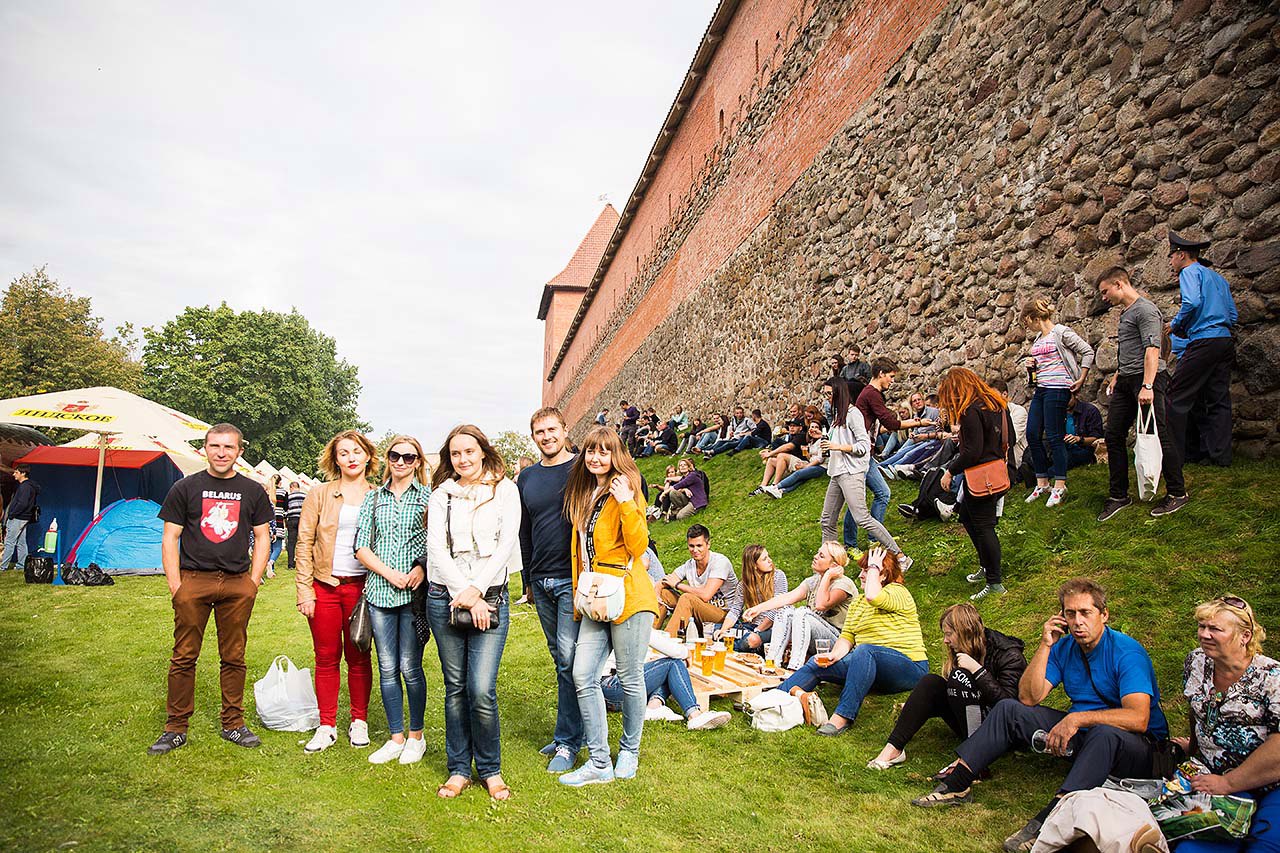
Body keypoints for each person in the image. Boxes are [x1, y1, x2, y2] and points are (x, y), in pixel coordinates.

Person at [912, 578, 1169, 853]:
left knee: (1104, 733)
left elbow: (1138, 719)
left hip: (1140, 749)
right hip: (1088, 737)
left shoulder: (1127, 652)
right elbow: (1028, 698)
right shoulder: (1065, 647)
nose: (1078, 621)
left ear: (1104, 615)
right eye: (1070, 614)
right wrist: (1046, 645)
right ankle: (959, 783)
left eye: (1086, 613)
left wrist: (1077, 719)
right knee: (1009, 709)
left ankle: (1051, 819)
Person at [148, 424, 273, 755]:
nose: (221, 453)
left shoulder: (253, 490)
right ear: (204, 448)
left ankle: (233, 723)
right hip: (194, 579)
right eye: (215, 446)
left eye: (229, 447)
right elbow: (170, 537)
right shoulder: (184, 487)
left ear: (239, 452)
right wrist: (177, 586)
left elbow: (262, 536)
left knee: (234, 656)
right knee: (184, 655)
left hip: (236, 583)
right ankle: (175, 727)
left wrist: (253, 582)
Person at [559, 426, 660, 786]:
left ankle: (629, 750)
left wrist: (628, 502)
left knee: (631, 677)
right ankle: (600, 762)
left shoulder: (625, 488)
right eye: (590, 452)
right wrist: (577, 600)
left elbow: (638, 546)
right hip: (594, 598)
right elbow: (580, 555)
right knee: (582, 674)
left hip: (629, 597)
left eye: (604, 452)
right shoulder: (586, 493)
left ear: (615, 454)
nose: (595, 458)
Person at [426, 425, 519, 801]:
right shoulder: (440, 497)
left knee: (481, 688)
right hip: (444, 597)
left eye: (469, 451)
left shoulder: (505, 490)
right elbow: (436, 549)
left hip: (491, 597)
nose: (462, 459)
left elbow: (505, 545)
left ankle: (491, 769)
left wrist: (477, 592)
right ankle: (459, 768)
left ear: (483, 451)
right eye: (455, 454)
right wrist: (462, 593)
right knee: (456, 689)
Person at [780, 547, 928, 736]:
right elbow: (847, 637)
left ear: (882, 575)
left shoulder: (898, 592)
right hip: (868, 666)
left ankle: (842, 717)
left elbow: (874, 596)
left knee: (865, 651)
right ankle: (775, 699)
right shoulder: (858, 603)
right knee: (817, 663)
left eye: (867, 570)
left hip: (909, 666)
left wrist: (874, 565)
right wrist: (833, 655)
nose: (860, 575)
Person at [1172, 595, 1279, 853]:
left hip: (1271, 783)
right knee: (1189, 848)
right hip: (1212, 775)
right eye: (1202, 626)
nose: (1204, 634)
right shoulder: (1196, 661)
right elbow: (1196, 710)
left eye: (1215, 629)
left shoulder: (1272, 678)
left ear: (1245, 636)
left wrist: (1228, 783)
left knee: (1264, 846)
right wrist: (1196, 746)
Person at [294, 430, 378, 753]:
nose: (351, 458)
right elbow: (304, 543)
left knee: (359, 655)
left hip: (363, 588)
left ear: (368, 455)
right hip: (325, 586)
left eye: (357, 451)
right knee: (326, 657)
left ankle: (359, 721)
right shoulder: (320, 494)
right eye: (344, 453)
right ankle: (326, 724)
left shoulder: (377, 494)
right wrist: (304, 590)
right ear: (335, 459)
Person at [867, 603, 1026, 771]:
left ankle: (972, 757)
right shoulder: (968, 648)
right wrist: (916, 706)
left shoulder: (1009, 655)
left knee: (959, 678)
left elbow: (1008, 707)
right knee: (931, 683)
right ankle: (893, 749)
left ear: (965, 632)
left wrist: (978, 671)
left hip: (1000, 731)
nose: (945, 640)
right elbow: (957, 695)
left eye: (949, 634)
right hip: (971, 719)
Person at [354, 436, 432, 766]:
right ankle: (395, 736)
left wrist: (420, 568)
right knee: (387, 667)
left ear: (417, 462)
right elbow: (360, 546)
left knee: (409, 667)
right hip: (381, 593)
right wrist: (388, 573)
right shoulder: (373, 500)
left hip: (414, 597)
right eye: (395, 456)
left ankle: (416, 736)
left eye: (408, 457)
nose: (401, 462)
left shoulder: (429, 498)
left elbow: (437, 541)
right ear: (387, 459)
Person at [518, 407, 583, 774]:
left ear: (564, 429)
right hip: (541, 580)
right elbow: (523, 533)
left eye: (552, 429)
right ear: (533, 437)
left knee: (569, 660)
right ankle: (568, 733)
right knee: (561, 659)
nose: (546, 436)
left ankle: (570, 742)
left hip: (572, 579)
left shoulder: (581, 468)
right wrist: (527, 580)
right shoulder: (526, 478)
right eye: (539, 432)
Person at [1096, 267, 1187, 521]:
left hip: (1147, 380)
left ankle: (1177, 493)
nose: (1104, 298)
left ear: (1119, 284)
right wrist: (1117, 375)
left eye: (1105, 291)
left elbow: (1152, 350)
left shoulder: (1145, 310)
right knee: (1113, 434)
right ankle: (1118, 496)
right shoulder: (1126, 313)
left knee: (1159, 435)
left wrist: (1147, 386)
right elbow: (1130, 350)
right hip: (1126, 380)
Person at [936, 367, 1014, 601]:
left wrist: (950, 470)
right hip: (997, 469)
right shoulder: (997, 404)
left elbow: (972, 451)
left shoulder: (971, 411)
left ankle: (994, 581)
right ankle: (987, 566)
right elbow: (1011, 439)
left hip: (981, 475)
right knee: (968, 518)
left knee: (984, 526)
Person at [820, 379, 913, 572]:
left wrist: (839, 447)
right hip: (837, 472)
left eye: (829, 394)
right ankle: (829, 565)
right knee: (827, 520)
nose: (826, 398)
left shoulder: (854, 414)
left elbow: (864, 446)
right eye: (825, 394)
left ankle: (900, 556)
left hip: (852, 472)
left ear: (839, 394)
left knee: (862, 518)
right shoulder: (838, 416)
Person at [1166, 230, 1238, 470]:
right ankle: (1221, 457)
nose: (1170, 262)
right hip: (1224, 339)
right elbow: (1233, 314)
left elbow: (1192, 302)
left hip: (1203, 341)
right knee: (1218, 399)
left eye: (1171, 256)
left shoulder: (1189, 271)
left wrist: (1175, 325)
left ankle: (1180, 453)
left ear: (1182, 254)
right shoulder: (1218, 278)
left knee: (1177, 395)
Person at [1020, 298, 1096, 509]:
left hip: (1059, 387)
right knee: (1033, 434)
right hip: (1042, 388)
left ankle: (1060, 485)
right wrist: (1032, 367)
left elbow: (1087, 351)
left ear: (1032, 318)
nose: (1027, 327)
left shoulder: (1061, 333)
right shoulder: (1037, 339)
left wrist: (1081, 378)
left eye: (1027, 322)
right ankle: (1042, 482)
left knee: (1054, 436)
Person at [851, 361, 933, 552]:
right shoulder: (872, 393)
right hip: (861, 454)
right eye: (891, 376)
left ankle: (874, 537)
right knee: (858, 501)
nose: (892, 381)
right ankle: (851, 543)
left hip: (866, 453)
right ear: (881, 374)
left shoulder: (871, 394)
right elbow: (890, 422)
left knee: (881, 494)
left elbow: (883, 423)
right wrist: (917, 422)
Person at [744, 541, 856, 669]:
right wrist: (758, 609)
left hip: (839, 643)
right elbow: (787, 598)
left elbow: (821, 605)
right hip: (816, 637)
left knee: (802, 612)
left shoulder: (843, 585)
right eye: (817, 553)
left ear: (834, 565)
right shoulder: (814, 581)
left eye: (821, 556)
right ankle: (772, 664)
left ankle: (794, 667)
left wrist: (828, 576)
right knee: (785, 611)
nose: (815, 556)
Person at [600, 629, 731, 731]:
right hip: (612, 686)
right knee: (673, 664)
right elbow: (660, 642)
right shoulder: (632, 610)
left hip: (607, 690)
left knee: (666, 667)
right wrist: (686, 652)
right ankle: (694, 715)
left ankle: (653, 706)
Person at [655, 524, 738, 637]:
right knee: (664, 593)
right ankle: (647, 641)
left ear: (708, 544)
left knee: (687, 598)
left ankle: (667, 641)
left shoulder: (720, 562)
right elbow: (664, 581)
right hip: (699, 610)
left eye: (699, 545)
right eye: (691, 546)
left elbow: (706, 595)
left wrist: (678, 585)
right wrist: (656, 593)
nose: (695, 550)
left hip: (724, 614)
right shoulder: (689, 565)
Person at [717, 544, 789, 654]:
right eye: (765, 559)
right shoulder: (743, 585)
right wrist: (723, 630)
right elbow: (735, 610)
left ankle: (734, 648)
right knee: (717, 630)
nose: (770, 560)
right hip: (752, 626)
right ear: (754, 565)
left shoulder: (778, 576)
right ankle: (734, 647)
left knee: (748, 641)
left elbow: (777, 609)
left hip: (772, 628)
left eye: (768, 556)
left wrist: (758, 630)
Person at [879, 392, 945, 475]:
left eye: (919, 400)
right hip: (920, 441)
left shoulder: (934, 412)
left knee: (908, 453)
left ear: (923, 401)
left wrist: (925, 436)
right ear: (912, 405)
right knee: (903, 451)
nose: (917, 402)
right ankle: (882, 466)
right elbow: (916, 430)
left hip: (931, 441)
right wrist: (913, 433)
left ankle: (892, 468)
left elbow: (941, 432)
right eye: (914, 401)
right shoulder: (916, 415)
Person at [763, 421, 828, 498]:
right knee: (801, 479)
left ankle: (775, 487)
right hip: (813, 465)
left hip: (822, 467)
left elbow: (820, 459)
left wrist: (806, 466)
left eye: (816, 427)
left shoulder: (822, 440)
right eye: (811, 427)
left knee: (798, 474)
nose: (813, 429)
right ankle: (781, 491)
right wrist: (806, 454)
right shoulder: (811, 442)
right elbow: (811, 458)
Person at [750, 419, 807, 495]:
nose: (791, 428)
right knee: (771, 460)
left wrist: (770, 453)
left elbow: (788, 447)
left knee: (781, 456)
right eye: (790, 426)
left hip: (802, 463)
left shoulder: (801, 435)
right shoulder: (792, 436)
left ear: (800, 428)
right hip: (792, 461)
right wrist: (770, 453)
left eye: (794, 426)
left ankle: (774, 485)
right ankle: (762, 486)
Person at [1, 464, 39, 571]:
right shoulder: (29, 486)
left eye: (16, 472)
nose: (14, 474)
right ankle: (22, 565)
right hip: (24, 518)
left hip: (18, 518)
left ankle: (2, 566)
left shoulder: (25, 487)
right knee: (21, 543)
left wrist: (12, 514)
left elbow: (22, 504)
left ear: (23, 473)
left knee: (9, 542)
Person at [1062, 391, 1105, 470]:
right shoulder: (1058, 412)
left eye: (1068, 399)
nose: (1065, 403)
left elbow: (1097, 438)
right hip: (1063, 448)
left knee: (1063, 459)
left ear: (1075, 396)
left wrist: (1078, 439)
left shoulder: (1090, 411)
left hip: (1084, 450)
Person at [661, 457, 708, 522]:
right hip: (690, 500)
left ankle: (679, 512)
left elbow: (678, 485)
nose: (682, 466)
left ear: (689, 467)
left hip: (698, 502)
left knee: (680, 517)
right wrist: (684, 489)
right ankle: (680, 510)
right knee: (673, 493)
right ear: (679, 469)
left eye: (685, 465)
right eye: (680, 465)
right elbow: (679, 485)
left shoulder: (692, 475)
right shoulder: (684, 477)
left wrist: (663, 493)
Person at [285, 481, 305, 569]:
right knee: (303, 542)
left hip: (292, 519)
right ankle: (303, 562)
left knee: (291, 543)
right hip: (302, 519)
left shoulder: (288, 497)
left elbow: (285, 509)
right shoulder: (304, 496)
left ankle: (291, 564)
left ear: (291, 487)